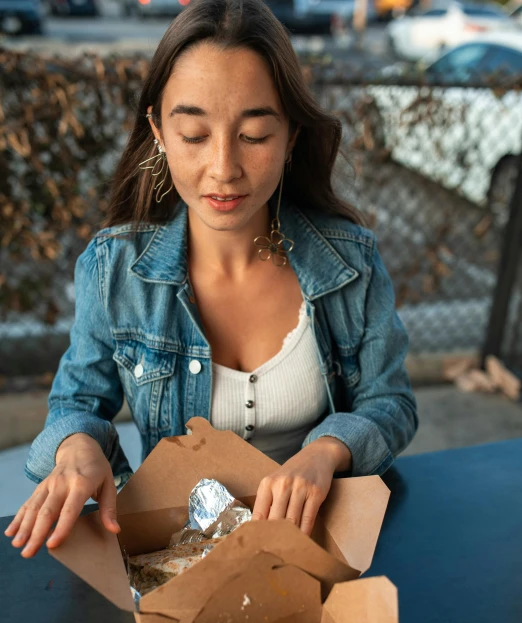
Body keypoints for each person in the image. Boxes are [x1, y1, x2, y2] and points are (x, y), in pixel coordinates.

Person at [5, 0, 418, 559]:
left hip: (321, 546)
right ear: (158, 131)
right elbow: (77, 406)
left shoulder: (351, 266)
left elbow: (389, 403)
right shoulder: (116, 269)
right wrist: (77, 447)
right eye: (195, 135)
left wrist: (327, 452)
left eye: (253, 135)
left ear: (292, 135)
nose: (223, 168)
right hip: (180, 559)